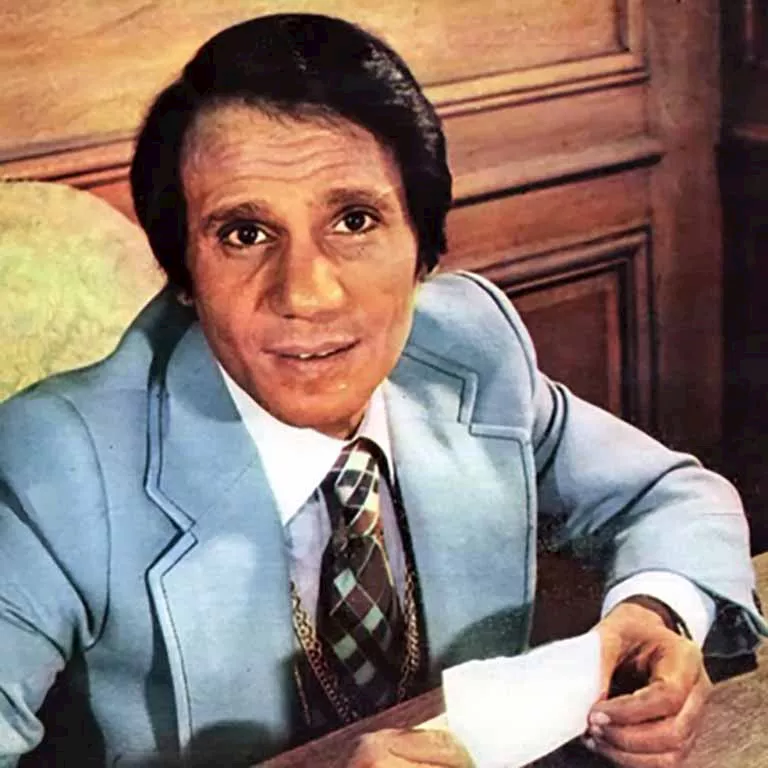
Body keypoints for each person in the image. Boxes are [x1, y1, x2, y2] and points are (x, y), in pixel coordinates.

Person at [0, 13, 764, 768]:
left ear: (424, 251)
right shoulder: (56, 463)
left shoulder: (465, 348)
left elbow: (672, 494)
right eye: (244, 234)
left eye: (355, 220)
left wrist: (656, 613)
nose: (306, 294)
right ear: (185, 280)